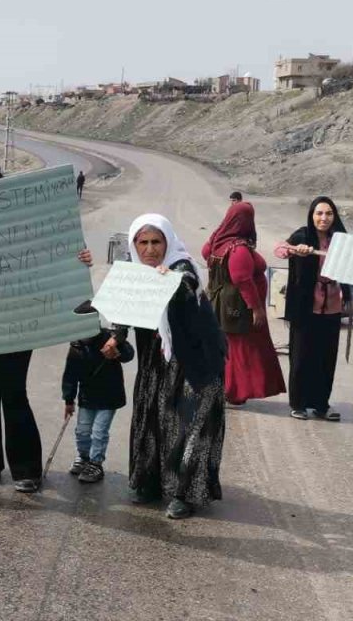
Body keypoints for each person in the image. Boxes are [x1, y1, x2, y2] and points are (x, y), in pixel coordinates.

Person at [0, 166, 94, 494]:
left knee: (13, 394)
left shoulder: (23, 229)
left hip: (16, 326)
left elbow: (56, 255)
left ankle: (27, 470)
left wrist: (79, 260)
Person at [125, 214, 227, 519]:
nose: (150, 249)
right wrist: (115, 338)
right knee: (154, 420)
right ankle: (150, 483)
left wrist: (168, 278)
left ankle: (186, 494)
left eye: (157, 242)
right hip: (157, 360)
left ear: (168, 242)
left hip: (196, 361)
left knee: (192, 425)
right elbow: (120, 308)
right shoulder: (133, 273)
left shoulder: (181, 266)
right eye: (142, 243)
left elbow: (187, 282)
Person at [203, 202, 285, 406]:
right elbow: (242, 279)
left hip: (220, 303)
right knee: (240, 351)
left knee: (230, 348)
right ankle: (233, 391)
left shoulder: (217, 240)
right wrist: (256, 308)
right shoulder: (237, 248)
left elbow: (206, 253)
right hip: (238, 309)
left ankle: (228, 390)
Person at [274, 196, 350, 420]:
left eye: (328, 214)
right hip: (305, 306)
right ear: (312, 215)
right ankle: (298, 403)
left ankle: (321, 404)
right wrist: (294, 250)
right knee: (301, 356)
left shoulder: (341, 240)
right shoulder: (302, 235)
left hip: (332, 305)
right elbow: (279, 249)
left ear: (334, 216)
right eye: (319, 213)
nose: (323, 218)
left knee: (326, 357)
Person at [62, 325, 134, 483]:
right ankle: (83, 456)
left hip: (110, 396)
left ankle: (96, 463)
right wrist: (69, 399)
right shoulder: (76, 347)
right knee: (82, 431)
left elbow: (129, 354)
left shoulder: (111, 338)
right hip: (87, 396)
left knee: (99, 432)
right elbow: (70, 375)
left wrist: (117, 351)